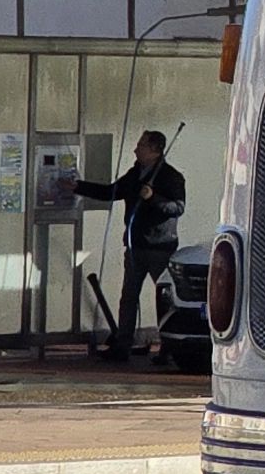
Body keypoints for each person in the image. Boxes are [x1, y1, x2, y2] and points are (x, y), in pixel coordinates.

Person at [72, 131, 187, 362]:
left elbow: (177, 207)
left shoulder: (171, 176)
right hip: (135, 245)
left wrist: (153, 198)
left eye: (141, 145)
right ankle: (122, 345)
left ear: (154, 149)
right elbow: (111, 192)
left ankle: (168, 348)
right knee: (128, 297)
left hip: (159, 247)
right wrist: (77, 186)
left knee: (165, 299)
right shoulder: (136, 174)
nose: (136, 149)